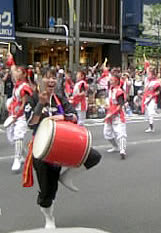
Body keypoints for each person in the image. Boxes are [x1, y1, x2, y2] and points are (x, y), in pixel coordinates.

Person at [24, 68, 102, 228]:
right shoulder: (32, 99)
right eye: (48, 78)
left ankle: (66, 176)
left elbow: (74, 115)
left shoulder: (60, 99)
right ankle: (49, 219)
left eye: (54, 77)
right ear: (41, 80)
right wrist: (41, 104)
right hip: (43, 150)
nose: (52, 81)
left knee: (93, 156)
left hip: (63, 142)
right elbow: (30, 123)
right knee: (48, 192)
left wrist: (66, 117)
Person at [5, 54, 33, 172]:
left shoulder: (24, 87)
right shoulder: (16, 84)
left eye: (18, 71)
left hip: (21, 116)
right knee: (11, 137)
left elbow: (23, 103)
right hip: (13, 114)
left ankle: (17, 158)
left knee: (18, 135)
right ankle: (25, 155)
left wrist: (17, 116)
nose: (15, 73)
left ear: (23, 74)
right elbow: (12, 68)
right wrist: (11, 59)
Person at [103, 68, 127, 159]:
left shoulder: (119, 91)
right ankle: (115, 146)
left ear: (116, 81)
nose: (110, 81)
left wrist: (112, 113)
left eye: (112, 80)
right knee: (107, 133)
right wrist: (106, 106)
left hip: (117, 115)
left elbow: (120, 105)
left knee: (120, 133)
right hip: (109, 114)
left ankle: (122, 151)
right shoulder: (110, 90)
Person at [142, 62, 161, 133]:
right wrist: (147, 65)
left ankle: (151, 127)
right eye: (148, 73)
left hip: (152, 99)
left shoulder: (156, 82)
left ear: (153, 75)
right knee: (147, 113)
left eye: (149, 74)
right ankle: (150, 126)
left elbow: (158, 92)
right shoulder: (147, 80)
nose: (148, 75)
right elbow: (146, 69)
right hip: (146, 98)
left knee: (150, 112)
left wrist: (152, 95)